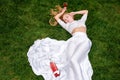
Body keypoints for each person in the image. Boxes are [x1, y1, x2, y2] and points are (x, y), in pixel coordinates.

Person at [27, 6, 93, 80]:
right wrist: (62, 12)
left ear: (71, 16)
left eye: (67, 17)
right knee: (69, 61)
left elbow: (86, 11)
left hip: (84, 40)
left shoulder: (81, 21)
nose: (66, 20)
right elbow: (56, 17)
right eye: (65, 19)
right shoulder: (67, 26)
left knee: (73, 60)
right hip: (73, 41)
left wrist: (74, 13)